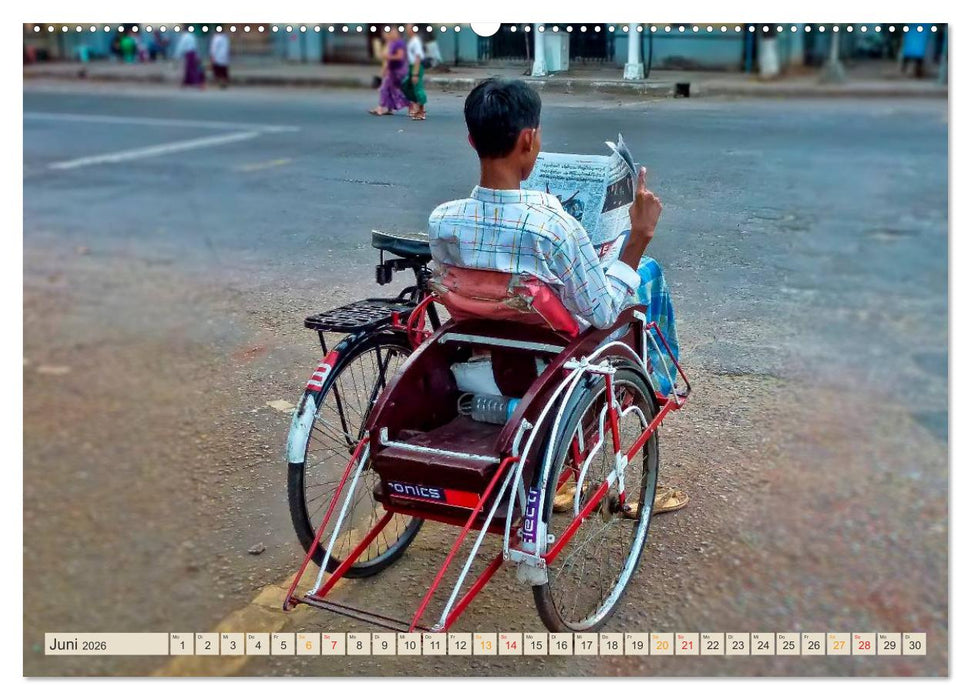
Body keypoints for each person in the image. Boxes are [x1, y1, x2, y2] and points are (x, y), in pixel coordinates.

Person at [427, 78, 688, 514]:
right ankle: (652, 394)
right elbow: (603, 313)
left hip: (484, 352)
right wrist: (638, 237)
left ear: (472, 140)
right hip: (554, 362)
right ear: (528, 140)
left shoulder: (443, 221)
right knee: (647, 274)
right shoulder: (554, 227)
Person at [369, 28, 409, 116]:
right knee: (391, 89)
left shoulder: (399, 43)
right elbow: (386, 60)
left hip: (398, 70)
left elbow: (399, 57)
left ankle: (380, 108)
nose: (386, 36)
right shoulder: (390, 43)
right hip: (391, 70)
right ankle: (389, 108)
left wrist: (387, 57)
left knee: (384, 88)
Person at [401, 27, 427, 120]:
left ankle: (421, 111)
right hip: (410, 66)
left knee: (417, 88)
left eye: (409, 27)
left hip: (416, 66)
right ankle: (414, 106)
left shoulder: (416, 41)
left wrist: (415, 73)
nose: (407, 30)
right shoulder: (410, 40)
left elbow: (418, 57)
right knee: (406, 86)